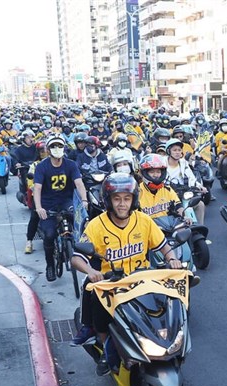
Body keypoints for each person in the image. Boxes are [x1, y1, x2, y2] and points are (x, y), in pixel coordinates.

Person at [70, 174, 181, 372]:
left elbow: (163, 245)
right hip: (112, 284)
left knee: (167, 305)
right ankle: (105, 348)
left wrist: (172, 259)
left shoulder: (144, 220)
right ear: (109, 200)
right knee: (97, 302)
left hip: (142, 280)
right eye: (117, 199)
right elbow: (76, 258)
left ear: (134, 200)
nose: (122, 204)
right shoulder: (96, 225)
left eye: (127, 198)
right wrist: (91, 271)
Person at [32, 135, 89, 282]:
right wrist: (39, 208)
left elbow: (79, 183)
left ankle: (76, 249)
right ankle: (50, 265)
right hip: (48, 204)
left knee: (78, 222)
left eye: (59, 146)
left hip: (66, 201)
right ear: (48, 150)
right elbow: (37, 188)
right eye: (53, 146)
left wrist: (84, 200)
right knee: (49, 235)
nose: (57, 149)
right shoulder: (42, 166)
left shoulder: (70, 165)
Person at [164, 138, 206, 225]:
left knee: (200, 204)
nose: (177, 152)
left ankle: (200, 228)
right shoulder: (162, 164)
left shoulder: (183, 163)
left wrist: (200, 186)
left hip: (183, 193)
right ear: (168, 151)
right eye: (174, 150)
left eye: (179, 150)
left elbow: (191, 178)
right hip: (167, 196)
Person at [136, 154, 187, 221]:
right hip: (147, 228)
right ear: (144, 173)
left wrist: (185, 217)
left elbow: (178, 206)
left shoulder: (167, 189)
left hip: (169, 227)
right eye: (152, 172)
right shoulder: (137, 192)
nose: (156, 175)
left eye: (158, 172)